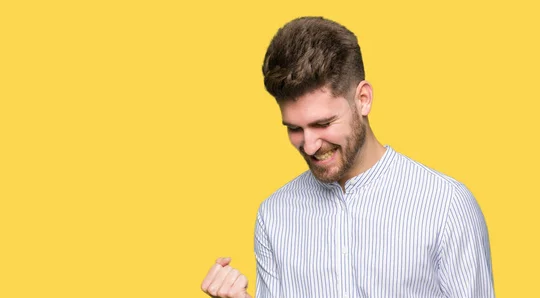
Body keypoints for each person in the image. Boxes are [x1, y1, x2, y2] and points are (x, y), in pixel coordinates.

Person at [200, 16, 495, 298]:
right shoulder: (273, 216)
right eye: (294, 128)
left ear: (362, 99)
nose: (310, 145)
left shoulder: (447, 206)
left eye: (323, 124)